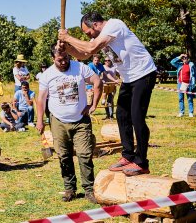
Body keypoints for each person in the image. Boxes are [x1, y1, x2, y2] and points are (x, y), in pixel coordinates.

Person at [58, 11, 157, 176]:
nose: (88, 35)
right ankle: (127, 156)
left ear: (95, 24)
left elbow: (91, 47)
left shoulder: (114, 25)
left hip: (143, 74)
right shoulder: (98, 37)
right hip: (128, 78)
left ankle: (141, 162)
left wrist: (68, 38)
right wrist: (66, 48)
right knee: (122, 115)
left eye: (88, 32)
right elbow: (83, 54)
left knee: (137, 117)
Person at [36, 45, 102, 203]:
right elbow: (41, 99)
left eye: (66, 58)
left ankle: (89, 190)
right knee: (64, 156)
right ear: (53, 59)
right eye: (60, 60)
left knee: (85, 155)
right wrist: (40, 120)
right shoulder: (47, 75)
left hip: (81, 121)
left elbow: (97, 82)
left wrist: (93, 105)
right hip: (58, 121)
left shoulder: (80, 67)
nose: (64, 62)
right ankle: (69, 189)